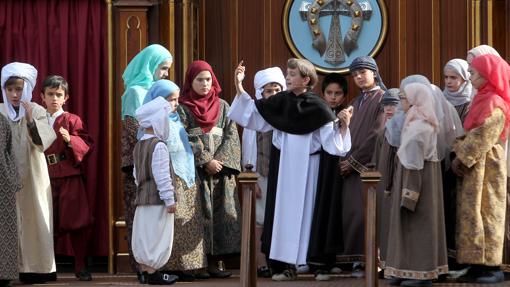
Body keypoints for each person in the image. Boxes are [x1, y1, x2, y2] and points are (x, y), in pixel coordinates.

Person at [229, 58, 352, 281]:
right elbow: (252, 116)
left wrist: (343, 125)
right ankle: (284, 266)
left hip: (311, 169)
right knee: (283, 214)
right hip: (284, 167)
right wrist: (239, 86)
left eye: (292, 74)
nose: (287, 77)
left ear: (306, 79)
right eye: (287, 73)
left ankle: (315, 262)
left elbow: (332, 144)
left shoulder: (319, 106)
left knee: (310, 213)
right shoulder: (279, 102)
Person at [178, 60, 242, 278]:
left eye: (208, 79)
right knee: (197, 216)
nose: (205, 84)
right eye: (199, 80)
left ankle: (215, 263)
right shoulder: (182, 107)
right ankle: (198, 264)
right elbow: (182, 136)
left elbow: (232, 134)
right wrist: (205, 160)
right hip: (196, 172)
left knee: (221, 217)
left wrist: (220, 162)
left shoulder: (223, 106)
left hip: (220, 174)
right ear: (190, 81)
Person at [452, 54, 510, 284]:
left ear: (487, 75)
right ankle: (476, 263)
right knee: (472, 215)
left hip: (488, 168)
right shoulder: (481, 99)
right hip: (475, 167)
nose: (470, 76)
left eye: (473, 73)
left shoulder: (496, 102)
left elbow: (483, 136)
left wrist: (460, 155)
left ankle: (492, 266)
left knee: (487, 213)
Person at [384, 80, 448, 287]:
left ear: (413, 101)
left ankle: (421, 273)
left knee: (418, 227)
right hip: (416, 180)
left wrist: (409, 194)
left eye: (403, 98)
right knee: (407, 229)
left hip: (417, 184)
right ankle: (404, 269)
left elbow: (413, 165)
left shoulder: (419, 128)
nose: (400, 102)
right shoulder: (417, 121)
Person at [142, 80, 207, 281]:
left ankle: (187, 266)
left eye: (177, 99)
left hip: (186, 175)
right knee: (172, 224)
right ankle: (169, 266)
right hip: (170, 178)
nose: (175, 104)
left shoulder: (177, 118)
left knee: (186, 221)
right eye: (170, 100)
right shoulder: (153, 125)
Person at [0, 62, 57, 283]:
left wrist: (31, 120)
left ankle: (35, 268)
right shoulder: (1, 112)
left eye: (19, 89)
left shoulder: (38, 110)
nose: (15, 95)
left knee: (35, 216)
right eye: (10, 89)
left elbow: (44, 143)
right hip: (5, 175)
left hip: (33, 175)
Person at [120, 44, 173, 282]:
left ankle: (151, 268)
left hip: (154, 154)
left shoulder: (156, 90)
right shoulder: (135, 92)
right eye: (162, 68)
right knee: (140, 216)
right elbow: (133, 127)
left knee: (152, 220)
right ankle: (142, 268)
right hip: (140, 159)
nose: (165, 74)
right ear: (150, 65)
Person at [41, 75, 94, 281]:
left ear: (66, 98)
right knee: (45, 222)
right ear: (42, 97)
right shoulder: (37, 118)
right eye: (50, 94)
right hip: (43, 176)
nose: (54, 98)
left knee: (77, 221)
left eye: (59, 95)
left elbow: (87, 143)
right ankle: (47, 267)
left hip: (69, 175)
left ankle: (80, 265)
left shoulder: (72, 120)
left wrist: (70, 139)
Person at [338, 56, 386, 276]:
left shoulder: (383, 99)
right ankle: (357, 260)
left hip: (370, 169)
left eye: (362, 72)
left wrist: (354, 162)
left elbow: (377, 134)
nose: (358, 77)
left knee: (368, 212)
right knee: (352, 214)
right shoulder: (355, 103)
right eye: (355, 74)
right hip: (349, 167)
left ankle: (372, 260)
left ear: (374, 73)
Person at [238, 67, 286, 278]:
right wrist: (253, 179)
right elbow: (249, 149)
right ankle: (261, 262)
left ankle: (284, 263)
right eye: (268, 91)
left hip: (285, 177)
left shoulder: (288, 112)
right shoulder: (255, 115)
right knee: (260, 221)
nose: (273, 94)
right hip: (263, 176)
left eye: (277, 89)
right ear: (261, 93)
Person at [132, 97, 178, 285]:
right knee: (156, 235)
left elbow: (136, 175)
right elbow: (162, 176)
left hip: (143, 199)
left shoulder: (139, 145)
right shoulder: (158, 146)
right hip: (157, 201)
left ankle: (145, 271)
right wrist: (169, 199)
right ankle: (152, 272)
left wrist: (143, 190)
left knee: (145, 235)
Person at [307, 73, 349, 281]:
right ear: (322, 94)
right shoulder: (316, 112)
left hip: (341, 169)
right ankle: (317, 260)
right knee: (320, 210)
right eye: (329, 93)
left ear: (344, 96)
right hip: (319, 167)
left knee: (336, 211)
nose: (333, 97)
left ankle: (333, 258)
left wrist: (345, 124)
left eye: (338, 93)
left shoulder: (347, 113)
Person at [372, 88, 401, 271]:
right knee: (385, 223)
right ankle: (387, 264)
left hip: (401, 184)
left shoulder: (407, 129)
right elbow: (376, 160)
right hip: (385, 185)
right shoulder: (383, 132)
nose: (388, 109)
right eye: (385, 105)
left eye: (393, 104)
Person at [0, 113, 22, 287]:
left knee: (4, 230)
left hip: (3, 183)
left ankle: (4, 273)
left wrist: (13, 180)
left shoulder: (1, 120)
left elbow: (8, 151)